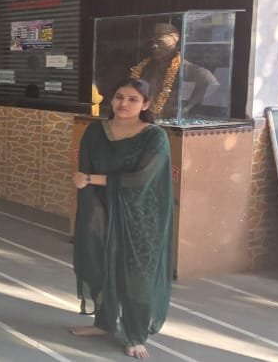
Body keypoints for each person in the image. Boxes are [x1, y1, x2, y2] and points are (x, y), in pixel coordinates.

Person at [70, 79, 173, 359]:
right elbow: (83, 174)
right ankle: (103, 323)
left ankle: (135, 334)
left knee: (136, 275)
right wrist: (92, 214)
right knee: (100, 264)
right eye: (119, 97)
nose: (123, 104)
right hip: (100, 209)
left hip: (142, 215)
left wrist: (90, 179)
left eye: (133, 99)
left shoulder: (154, 137)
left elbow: (140, 179)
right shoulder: (95, 131)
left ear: (146, 104)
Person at [128, 22, 217, 120]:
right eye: (151, 42)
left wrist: (187, 107)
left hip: (171, 121)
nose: (154, 46)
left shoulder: (192, 70)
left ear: (177, 45)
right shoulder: (143, 68)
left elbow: (210, 82)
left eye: (161, 42)